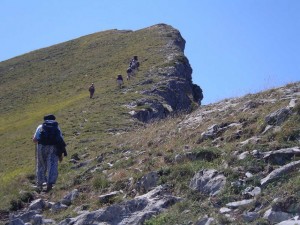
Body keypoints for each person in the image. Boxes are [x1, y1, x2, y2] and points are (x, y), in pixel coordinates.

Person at [32, 114, 66, 192]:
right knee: (53, 163)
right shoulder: (56, 127)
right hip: (54, 147)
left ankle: (40, 184)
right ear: (54, 119)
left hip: (41, 147)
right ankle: (50, 183)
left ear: (45, 120)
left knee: (41, 165)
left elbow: (35, 139)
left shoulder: (41, 127)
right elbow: (61, 139)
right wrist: (61, 153)